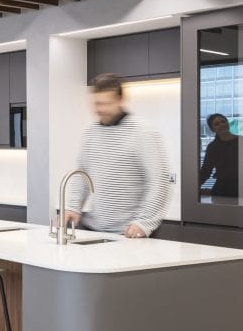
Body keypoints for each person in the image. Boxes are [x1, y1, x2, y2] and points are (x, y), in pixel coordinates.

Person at [64, 74, 170, 238]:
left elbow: (159, 182)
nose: (101, 109)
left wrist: (144, 222)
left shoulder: (143, 132)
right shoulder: (90, 132)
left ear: (121, 100)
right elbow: (82, 174)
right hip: (95, 230)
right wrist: (73, 206)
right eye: (97, 103)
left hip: (131, 233)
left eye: (107, 103)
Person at [198, 113, 239, 198]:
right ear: (213, 129)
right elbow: (206, 171)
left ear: (227, 123)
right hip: (222, 191)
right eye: (216, 124)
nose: (221, 125)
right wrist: (192, 188)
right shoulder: (212, 147)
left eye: (223, 121)